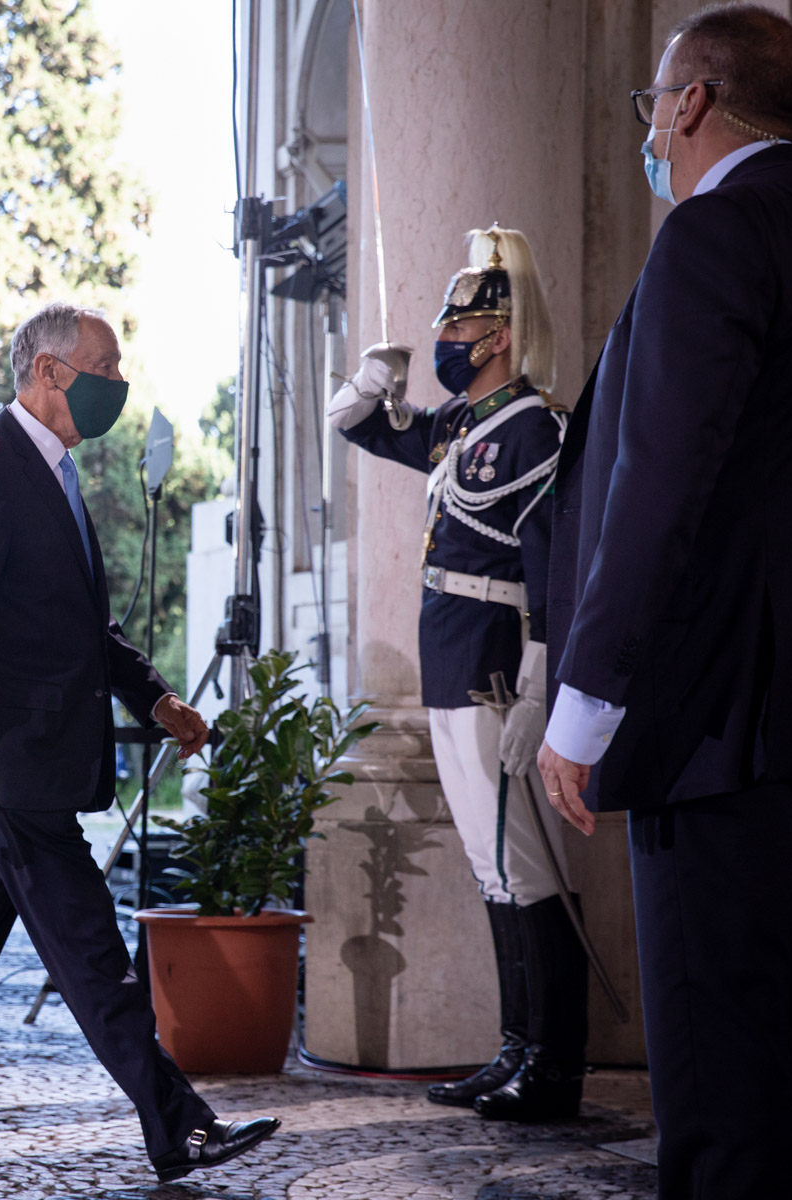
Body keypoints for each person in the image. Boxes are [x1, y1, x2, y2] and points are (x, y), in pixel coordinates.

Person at [538, 6, 792, 1196]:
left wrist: (586, 701)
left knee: (717, 1079)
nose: (651, 124)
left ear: (692, 100)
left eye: (655, 99)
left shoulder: (712, 235)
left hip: (707, 720)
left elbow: (662, 485)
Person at [0, 302, 278, 1183]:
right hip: (8, 766)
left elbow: (78, 624)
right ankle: (175, 1124)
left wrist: (154, 698)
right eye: (105, 369)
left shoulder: (55, 474)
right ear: (47, 372)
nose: (119, 385)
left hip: (28, 762)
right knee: (92, 954)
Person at [326, 227, 585, 1120]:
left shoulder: (533, 429)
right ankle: (514, 1048)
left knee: (522, 866)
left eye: (458, 330)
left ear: (500, 338)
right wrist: (374, 377)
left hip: (494, 665)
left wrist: (542, 685)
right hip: (449, 663)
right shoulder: (459, 426)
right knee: (488, 864)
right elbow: (359, 425)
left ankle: (553, 1067)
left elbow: (552, 563)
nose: (446, 342)